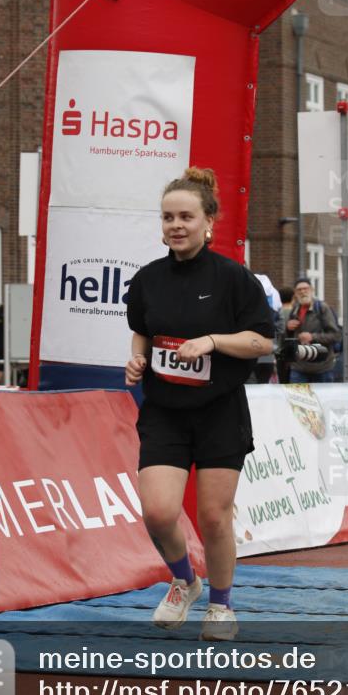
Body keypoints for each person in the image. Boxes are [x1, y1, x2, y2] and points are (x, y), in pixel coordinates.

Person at [125, 167, 275, 641]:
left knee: (213, 516)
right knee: (158, 512)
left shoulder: (233, 279)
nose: (176, 225)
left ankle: (221, 605)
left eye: (186, 216)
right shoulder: (148, 279)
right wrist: (137, 359)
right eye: (168, 217)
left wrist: (211, 341)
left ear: (209, 222)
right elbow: (142, 332)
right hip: (165, 411)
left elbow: (262, 342)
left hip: (219, 411)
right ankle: (184, 582)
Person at [284, 278, 341, 383]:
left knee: (323, 399)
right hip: (298, 368)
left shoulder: (322, 308)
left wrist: (312, 337)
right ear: (295, 294)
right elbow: (288, 339)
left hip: (322, 368)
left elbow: (335, 335)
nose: (302, 292)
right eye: (299, 290)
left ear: (312, 290)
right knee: (298, 399)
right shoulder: (294, 310)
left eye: (305, 289)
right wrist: (288, 329)